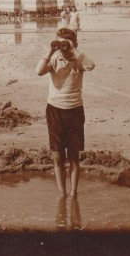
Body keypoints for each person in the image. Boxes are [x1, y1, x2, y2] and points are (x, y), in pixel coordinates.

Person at [35, 27, 95, 198]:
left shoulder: (78, 59)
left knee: (74, 155)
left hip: (75, 110)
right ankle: (62, 194)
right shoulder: (54, 59)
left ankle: (73, 192)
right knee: (57, 155)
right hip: (55, 110)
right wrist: (51, 51)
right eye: (60, 43)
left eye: (66, 43)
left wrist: (73, 49)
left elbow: (91, 65)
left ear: (74, 44)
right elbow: (38, 71)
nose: (63, 47)